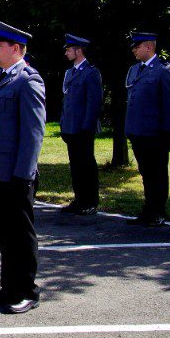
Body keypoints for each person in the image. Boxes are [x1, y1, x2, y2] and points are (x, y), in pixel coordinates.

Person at [0, 21, 45, 314]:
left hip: (15, 173)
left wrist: (24, 173)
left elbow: (33, 132)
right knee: (4, 234)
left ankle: (27, 290)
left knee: (21, 234)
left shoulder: (28, 80)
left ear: (16, 48)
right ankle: (9, 287)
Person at [124, 31, 170, 227]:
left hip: (155, 132)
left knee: (158, 173)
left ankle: (158, 211)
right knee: (146, 173)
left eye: (137, 46)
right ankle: (149, 208)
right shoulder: (134, 70)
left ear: (148, 47)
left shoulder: (163, 70)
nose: (134, 50)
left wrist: (168, 132)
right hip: (138, 131)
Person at [59, 34, 103, 215]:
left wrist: (87, 127)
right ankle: (79, 199)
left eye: (69, 49)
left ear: (79, 51)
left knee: (87, 165)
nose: (66, 53)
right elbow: (67, 101)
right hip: (71, 127)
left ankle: (90, 201)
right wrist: (63, 124)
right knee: (75, 165)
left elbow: (94, 102)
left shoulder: (91, 72)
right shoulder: (70, 72)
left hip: (83, 128)